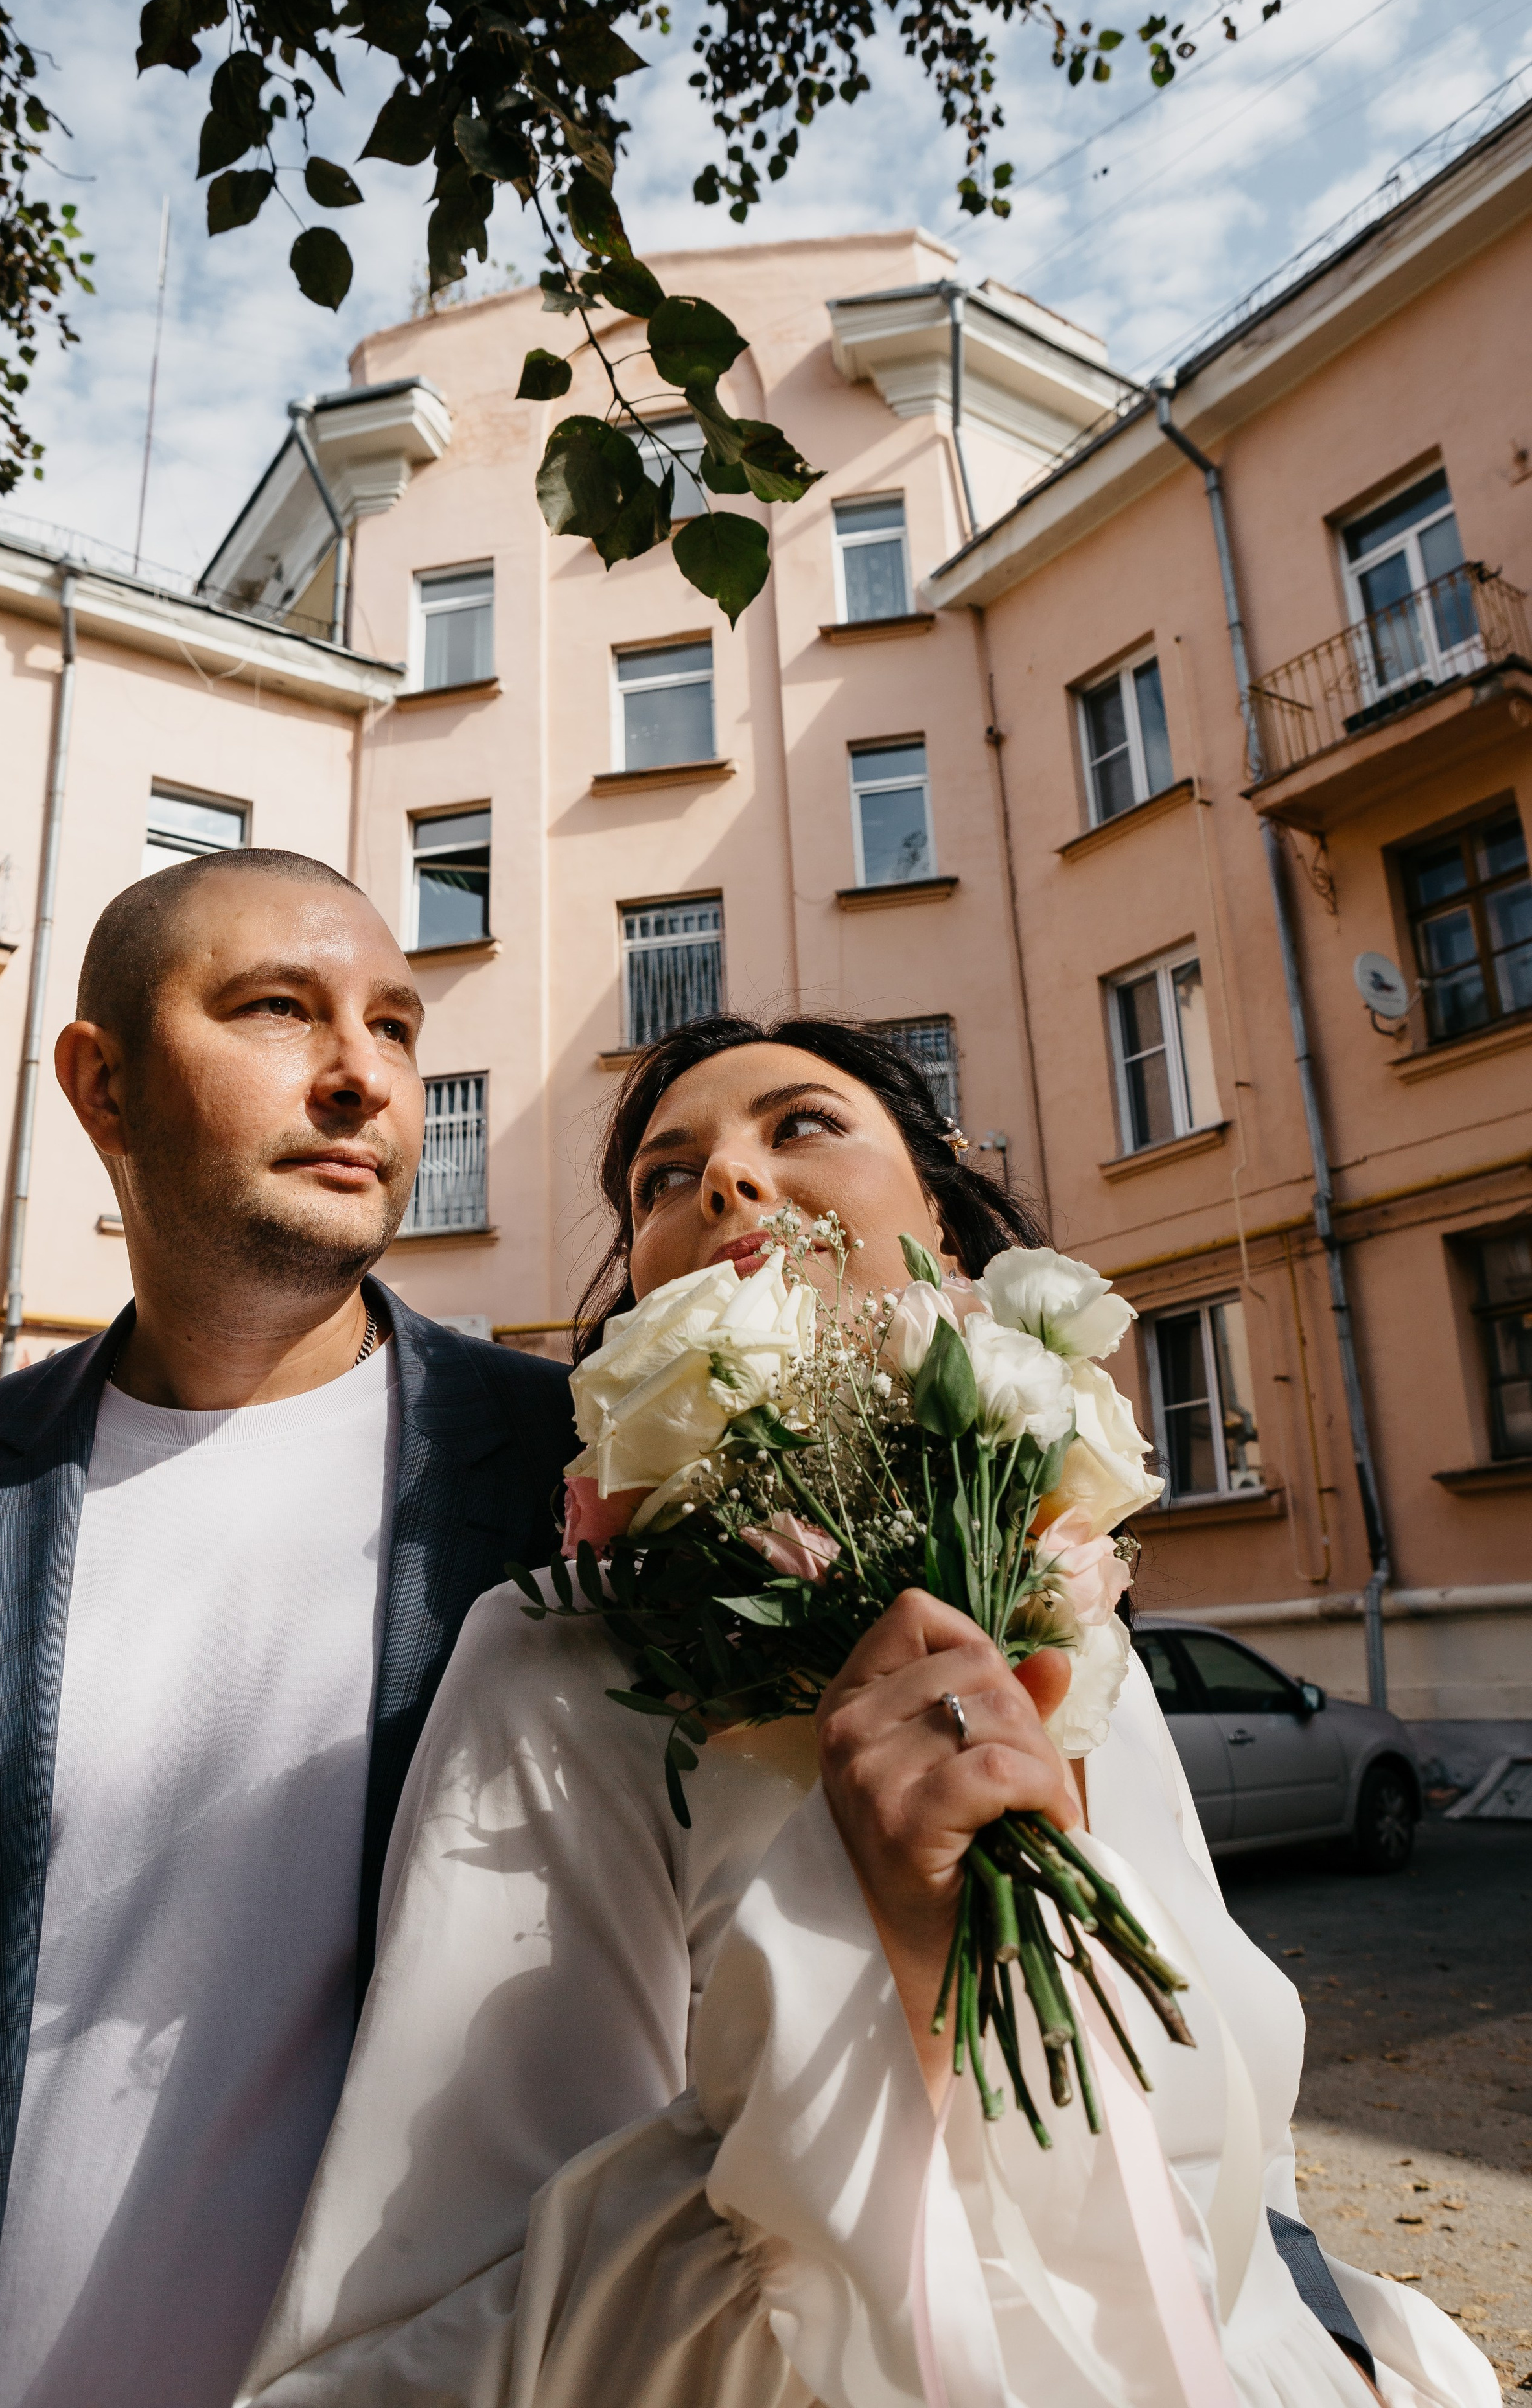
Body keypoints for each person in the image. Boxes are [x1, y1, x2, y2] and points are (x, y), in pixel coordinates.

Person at [238, 1014, 1494, 2408]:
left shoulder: (1070, 1619)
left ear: (948, 1238)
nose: (721, 1183)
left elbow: (1220, 2149)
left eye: (799, 1126)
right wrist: (871, 1963)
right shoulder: (565, 1659)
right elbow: (447, 2322)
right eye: (664, 1177)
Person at [0, 850, 574, 2408]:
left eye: (395, 1025)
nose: (362, 1078)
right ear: (103, 1088)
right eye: (278, 1009)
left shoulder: (574, 1482)